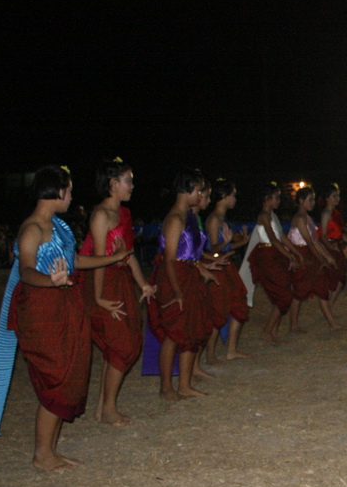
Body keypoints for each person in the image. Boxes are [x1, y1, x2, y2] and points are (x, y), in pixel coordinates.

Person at [0, 165, 130, 470]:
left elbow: (74, 261)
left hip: (65, 303)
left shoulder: (59, 226)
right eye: (69, 190)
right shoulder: (32, 229)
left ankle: (50, 450)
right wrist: (51, 281)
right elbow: (26, 270)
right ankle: (42, 454)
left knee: (71, 371)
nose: (72, 196)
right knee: (56, 377)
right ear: (58, 191)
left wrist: (115, 257)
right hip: (42, 309)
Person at [80, 158, 156, 426]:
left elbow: (127, 254)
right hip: (103, 281)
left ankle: (103, 408)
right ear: (113, 184)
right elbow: (100, 260)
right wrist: (99, 297)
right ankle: (109, 410)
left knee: (118, 344)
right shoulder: (101, 215)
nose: (132, 185)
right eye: (128, 180)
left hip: (120, 279)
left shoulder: (123, 213)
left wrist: (143, 284)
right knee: (123, 345)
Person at [147, 168, 217, 400]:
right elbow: (169, 258)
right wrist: (177, 291)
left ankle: (185, 385)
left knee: (191, 328)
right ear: (188, 190)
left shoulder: (188, 217)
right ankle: (166, 387)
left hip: (187, 273)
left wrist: (202, 269)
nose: (201, 195)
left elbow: (190, 255)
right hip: (175, 276)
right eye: (199, 190)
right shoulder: (175, 219)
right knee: (174, 333)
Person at [241, 182, 298, 345]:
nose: (279, 200)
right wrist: (289, 255)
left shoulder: (272, 215)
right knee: (283, 295)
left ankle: (272, 332)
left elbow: (281, 238)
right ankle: (267, 331)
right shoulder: (264, 216)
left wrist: (295, 253)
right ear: (267, 199)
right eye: (276, 197)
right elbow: (273, 239)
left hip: (274, 255)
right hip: (268, 256)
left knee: (283, 293)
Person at [203, 179, 250, 364]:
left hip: (225, 264)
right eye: (233, 195)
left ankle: (231, 350)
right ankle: (210, 354)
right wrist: (227, 243)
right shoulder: (214, 219)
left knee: (238, 303)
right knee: (219, 309)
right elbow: (213, 250)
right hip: (216, 265)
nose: (235, 199)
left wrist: (241, 242)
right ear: (224, 196)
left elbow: (225, 247)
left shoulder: (221, 218)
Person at [288, 186, 342, 331]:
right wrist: (323, 260)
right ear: (301, 201)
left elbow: (315, 242)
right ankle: (294, 325)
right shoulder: (300, 219)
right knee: (299, 292)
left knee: (321, 289)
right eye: (310, 200)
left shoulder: (307, 218)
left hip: (310, 254)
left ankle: (332, 324)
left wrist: (327, 257)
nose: (313, 203)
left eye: (313, 200)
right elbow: (311, 243)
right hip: (302, 256)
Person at [318, 183, 347, 306]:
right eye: (334, 196)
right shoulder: (326, 214)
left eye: (338, 196)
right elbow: (323, 236)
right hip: (329, 248)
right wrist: (331, 248)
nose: (337, 198)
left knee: (341, 279)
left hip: (336, 247)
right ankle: (328, 308)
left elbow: (339, 234)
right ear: (327, 198)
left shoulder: (336, 213)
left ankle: (329, 307)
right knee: (333, 279)